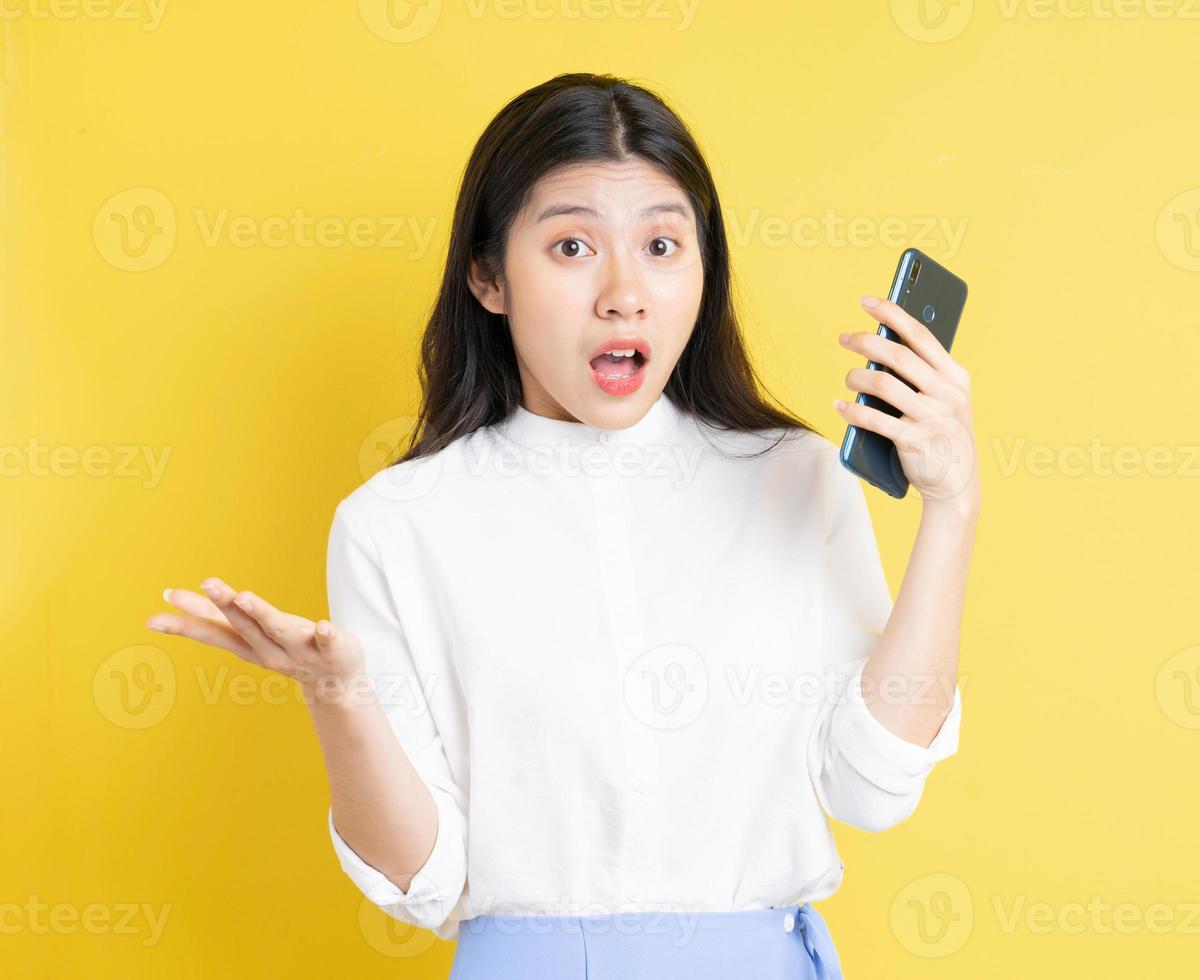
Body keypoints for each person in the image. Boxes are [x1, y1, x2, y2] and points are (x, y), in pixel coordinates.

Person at [145, 71, 980, 979]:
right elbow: (426, 879)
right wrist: (338, 695)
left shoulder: (796, 479)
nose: (625, 293)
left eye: (663, 244)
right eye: (574, 246)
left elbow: (871, 787)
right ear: (487, 274)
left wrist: (952, 509)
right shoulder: (397, 525)